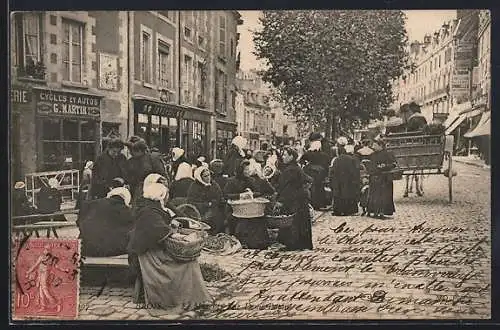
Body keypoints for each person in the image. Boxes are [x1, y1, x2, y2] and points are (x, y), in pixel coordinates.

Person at [127, 183, 211, 313]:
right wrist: (174, 232)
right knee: (187, 263)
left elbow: (160, 227)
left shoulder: (152, 208)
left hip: (153, 248)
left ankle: (191, 298)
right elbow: (159, 230)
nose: (168, 197)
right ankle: (181, 299)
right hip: (149, 254)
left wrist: (171, 225)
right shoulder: (149, 212)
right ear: (161, 196)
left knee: (190, 261)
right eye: (166, 194)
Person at [223, 159, 269, 248]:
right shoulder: (232, 181)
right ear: (241, 171)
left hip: (250, 208)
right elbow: (226, 195)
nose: (248, 172)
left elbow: (259, 192)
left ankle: (258, 243)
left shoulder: (251, 180)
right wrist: (240, 196)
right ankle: (241, 241)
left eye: (249, 169)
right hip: (234, 209)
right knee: (242, 222)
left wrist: (251, 193)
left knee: (258, 219)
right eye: (246, 170)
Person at [78, 187, 134, 257]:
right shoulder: (125, 210)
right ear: (126, 200)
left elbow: (79, 222)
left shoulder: (90, 205)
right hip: (110, 250)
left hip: (86, 248)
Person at [275, 147, 313, 251]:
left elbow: (286, 187)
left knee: (293, 222)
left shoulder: (290, 169)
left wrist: (280, 201)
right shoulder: (295, 167)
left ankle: (293, 244)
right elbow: (308, 179)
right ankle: (300, 243)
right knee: (300, 221)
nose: (283, 157)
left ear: (291, 156)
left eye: (285, 155)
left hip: (292, 200)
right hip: (299, 198)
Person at [187, 166, 225, 234]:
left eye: (209, 175)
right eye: (205, 176)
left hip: (214, 209)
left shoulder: (214, 184)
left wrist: (219, 202)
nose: (208, 178)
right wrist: (207, 204)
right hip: (200, 212)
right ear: (200, 177)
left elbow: (220, 196)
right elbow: (191, 202)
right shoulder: (194, 187)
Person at [366, 139, 397, 219]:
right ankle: (374, 211)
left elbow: (394, 164)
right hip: (375, 177)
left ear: (380, 146)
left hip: (385, 178)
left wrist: (385, 166)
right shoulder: (372, 155)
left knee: (384, 195)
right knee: (374, 195)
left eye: (375, 145)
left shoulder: (388, 154)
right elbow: (370, 165)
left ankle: (382, 212)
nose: (373, 147)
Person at [300, 133, 330, 210]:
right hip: (320, 173)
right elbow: (326, 164)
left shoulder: (307, 154)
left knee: (311, 187)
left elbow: (301, 161)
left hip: (310, 171)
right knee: (319, 187)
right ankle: (320, 203)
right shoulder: (324, 155)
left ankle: (311, 202)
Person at [330, 145, 361, 216]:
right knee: (348, 194)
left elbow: (333, 171)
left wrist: (332, 179)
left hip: (338, 180)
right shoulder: (351, 159)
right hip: (349, 180)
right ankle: (349, 211)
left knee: (339, 195)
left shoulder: (337, 160)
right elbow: (355, 171)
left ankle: (338, 210)